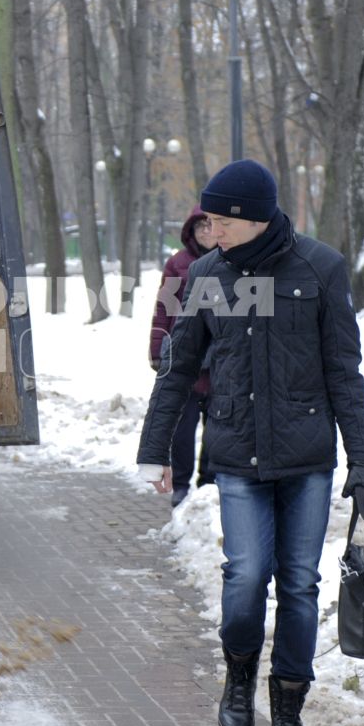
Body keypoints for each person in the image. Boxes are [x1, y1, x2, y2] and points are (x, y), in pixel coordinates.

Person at [135, 160, 364, 726]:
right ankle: (239, 676)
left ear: (244, 217)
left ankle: (289, 715)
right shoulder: (207, 274)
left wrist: (363, 463)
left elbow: (345, 372)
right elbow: (179, 368)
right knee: (245, 577)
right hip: (237, 455)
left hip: (307, 461)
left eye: (215, 216)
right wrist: (153, 448)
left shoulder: (320, 267)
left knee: (299, 585)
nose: (206, 225)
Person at [150, 208, 213, 507]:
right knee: (183, 429)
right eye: (200, 227)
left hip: (222, 361)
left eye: (210, 226)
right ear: (191, 231)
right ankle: (182, 486)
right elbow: (164, 309)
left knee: (217, 429)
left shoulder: (234, 262)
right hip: (186, 359)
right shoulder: (177, 264)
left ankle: (210, 484)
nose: (206, 232)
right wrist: (156, 350)